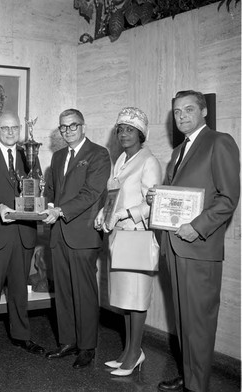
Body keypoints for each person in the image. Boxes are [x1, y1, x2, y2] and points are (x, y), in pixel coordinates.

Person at [149, 91, 240, 392]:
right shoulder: (178, 152)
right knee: (185, 321)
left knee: (199, 322)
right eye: (177, 112)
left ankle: (197, 385)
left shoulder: (219, 142)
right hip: (175, 247)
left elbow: (228, 198)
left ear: (203, 112)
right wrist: (156, 198)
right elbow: (179, 197)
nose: (182, 116)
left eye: (189, 109)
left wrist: (198, 227)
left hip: (199, 248)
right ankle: (189, 375)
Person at [0, 111, 45, 362]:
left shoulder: (30, 153)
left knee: (19, 290)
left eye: (15, 127)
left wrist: (42, 204)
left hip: (24, 232)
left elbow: (39, 187)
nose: (11, 132)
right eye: (5, 128)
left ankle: (21, 335)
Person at [94, 107, 162, 376]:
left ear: (141, 134)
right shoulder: (120, 159)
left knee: (137, 298)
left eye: (129, 129)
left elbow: (153, 203)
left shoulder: (149, 161)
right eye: (120, 129)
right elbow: (115, 194)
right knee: (124, 298)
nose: (123, 134)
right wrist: (105, 212)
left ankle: (135, 352)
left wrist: (126, 213)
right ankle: (128, 351)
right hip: (119, 237)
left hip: (136, 236)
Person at [41, 108, 111, 368]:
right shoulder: (58, 157)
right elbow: (51, 191)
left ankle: (87, 346)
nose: (68, 131)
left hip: (82, 233)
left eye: (73, 126)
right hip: (58, 233)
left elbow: (92, 192)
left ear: (83, 126)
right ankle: (68, 341)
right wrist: (45, 206)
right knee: (63, 290)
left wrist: (59, 210)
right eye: (63, 127)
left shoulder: (98, 154)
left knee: (84, 292)